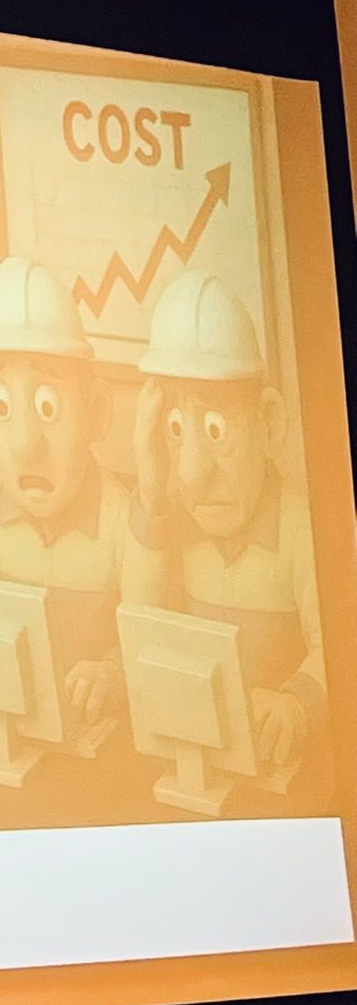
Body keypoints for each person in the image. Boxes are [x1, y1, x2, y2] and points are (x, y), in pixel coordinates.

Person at [0, 257, 164, 720]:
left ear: (95, 410)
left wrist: (114, 673)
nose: (25, 445)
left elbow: (152, 640)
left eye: (47, 406)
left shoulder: (124, 519)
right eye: (1, 405)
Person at [131, 270, 324, 768]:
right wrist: (151, 495)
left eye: (216, 429)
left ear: (269, 422)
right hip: (195, 757)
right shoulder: (172, 524)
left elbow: (339, 645)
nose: (192, 474)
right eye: (176, 429)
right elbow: (141, 636)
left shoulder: (300, 529)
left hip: (280, 765)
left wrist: (296, 703)